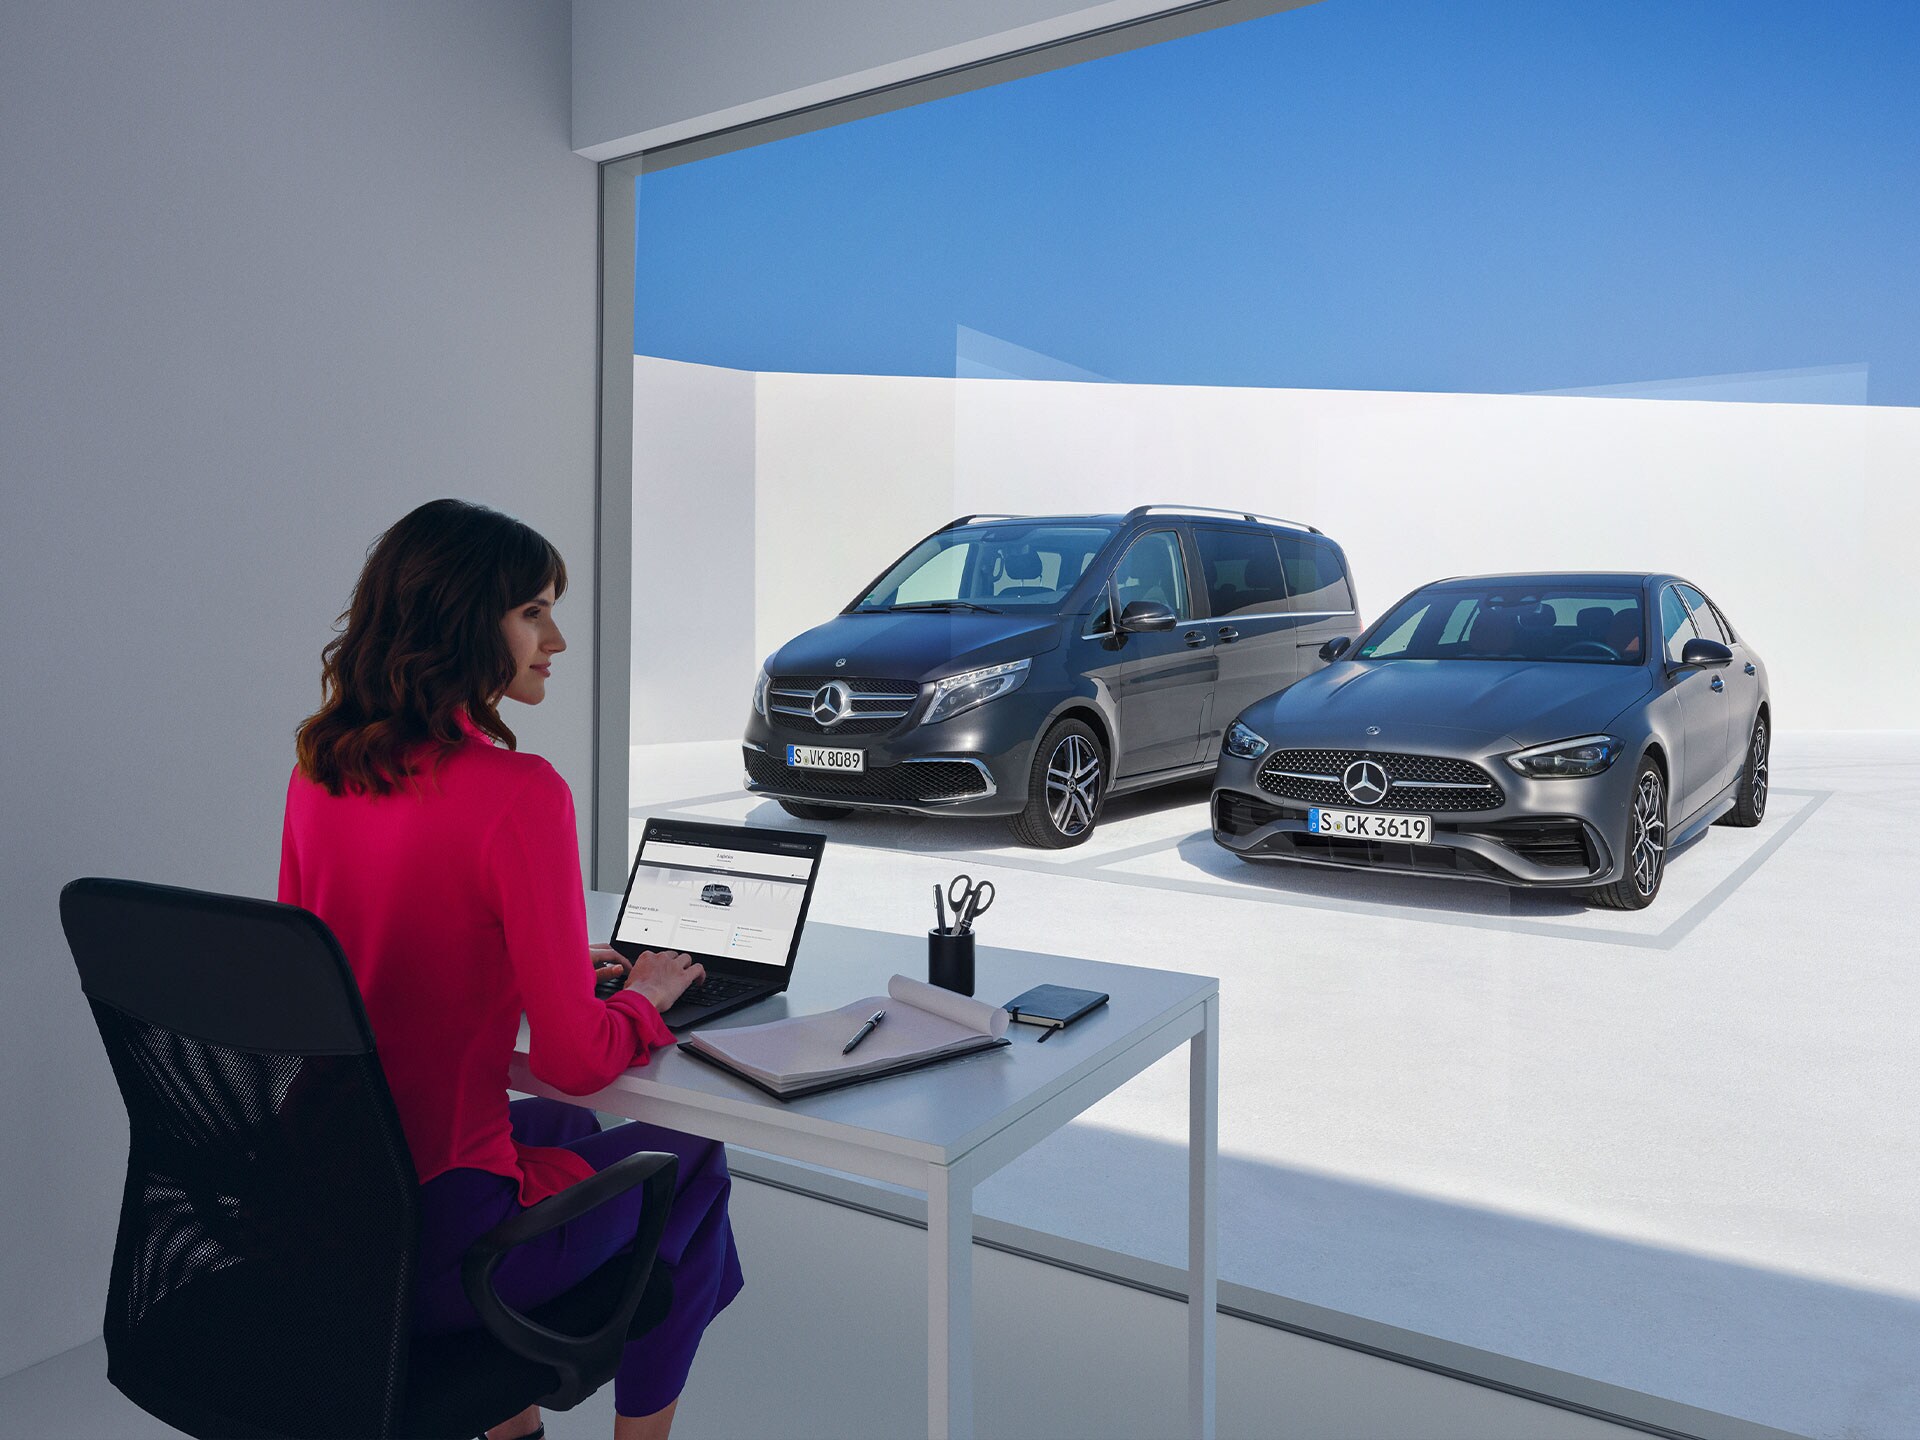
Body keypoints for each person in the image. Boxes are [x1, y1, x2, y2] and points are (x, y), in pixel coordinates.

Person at [278, 498, 742, 1440]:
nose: (557, 639)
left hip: (325, 1213)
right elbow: (575, 1057)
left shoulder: (320, 767)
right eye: (533, 612)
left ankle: (512, 1429)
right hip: (445, 1245)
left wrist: (545, 960)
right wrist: (647, 999)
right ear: (460, 622)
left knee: (569, 1127)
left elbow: (322, 969)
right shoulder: (518, 793)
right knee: (692, 1161)